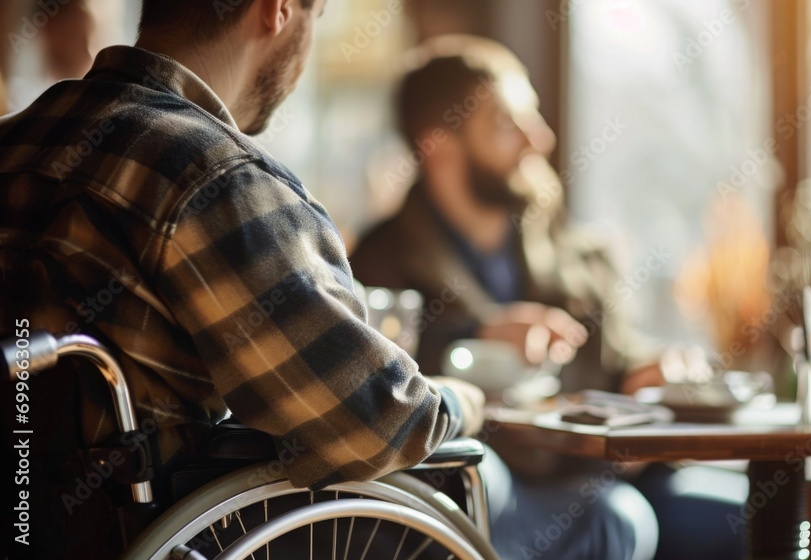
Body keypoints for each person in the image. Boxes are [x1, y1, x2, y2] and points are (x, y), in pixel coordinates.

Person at [0, 1, 487, 558]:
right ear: (278, 10)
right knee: (491, 482)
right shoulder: (210, 176)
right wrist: (462, 401)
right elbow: (376, 423)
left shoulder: (16, 140)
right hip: (152, 537)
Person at [351, 35, 747, 560]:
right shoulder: (376, 268)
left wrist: (651, 372)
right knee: (614, 520)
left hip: (601, 474)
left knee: (750, 517)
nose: (540, 139)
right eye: (506, 123)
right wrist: (475, 338)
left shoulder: (580, 254)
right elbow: (371, 389)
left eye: (532, 117)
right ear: (439, 144)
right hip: (479, 487)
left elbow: (620, 360)